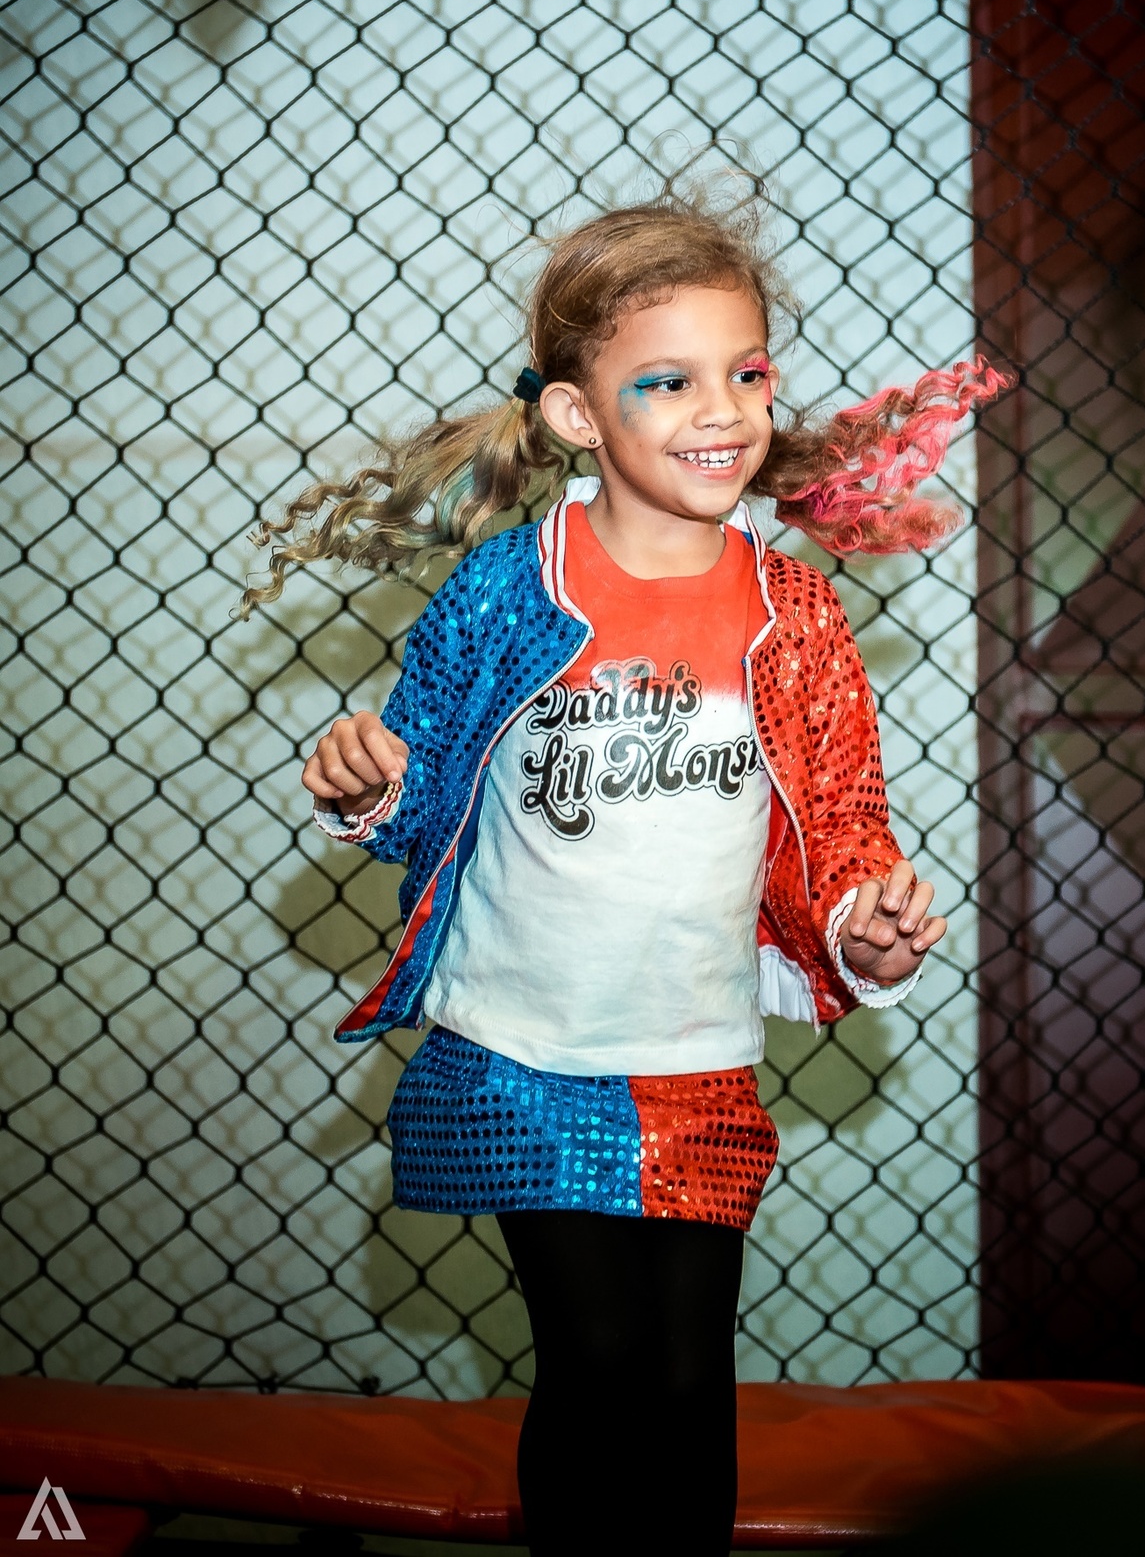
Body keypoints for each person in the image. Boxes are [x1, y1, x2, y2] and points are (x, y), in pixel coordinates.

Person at [242, 193, 1003, 1556]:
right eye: (668, 381)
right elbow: (424, 794)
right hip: (527, 1044)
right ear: (578, 417)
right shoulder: (505, 586)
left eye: (748, 372)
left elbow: (839, 821)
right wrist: (373, 787)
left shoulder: (797, 607)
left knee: (687, 1377)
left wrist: (864, 922)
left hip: (694, 1048)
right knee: (596, 1358)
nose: (723, 411)